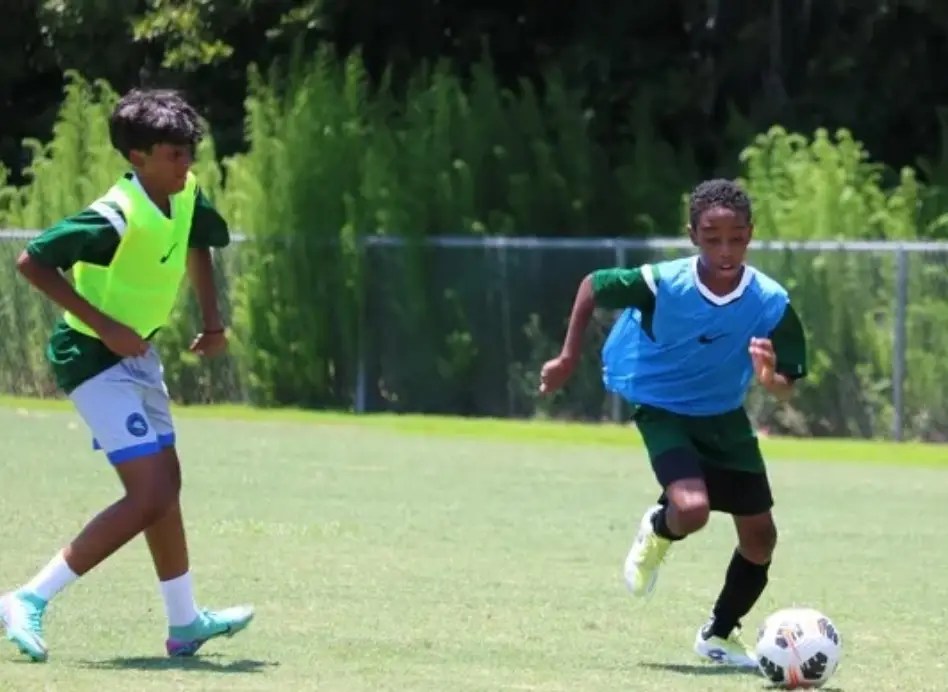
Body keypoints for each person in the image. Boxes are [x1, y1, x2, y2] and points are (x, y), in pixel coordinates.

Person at [1, 88, 253, 662]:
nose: (185, 163)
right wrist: (106, 325)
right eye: (172, 154)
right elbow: (32, 261)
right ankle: (27, 598)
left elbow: (197, 243)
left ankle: (185, 623)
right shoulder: (114, 213)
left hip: (138, 358)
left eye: (189, 151)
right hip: (89, 354)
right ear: (138, 157)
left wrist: (213, 320)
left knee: (167, 489)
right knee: (151, 494)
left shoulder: (184, 193)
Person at [538, 178, 807, 667]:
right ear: (692, 235)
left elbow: (787, 383)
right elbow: (593, 286)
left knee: (761, 538)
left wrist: (770, 379)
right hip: (662, 408)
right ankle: (658, 527)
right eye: (712, 238)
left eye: (736, 237)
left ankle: (719, 636)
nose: (725, 250)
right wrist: (567, 357)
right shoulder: (664, 283)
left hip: (724, 418)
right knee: (692, 509)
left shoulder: (770, 301)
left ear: (751, 234)